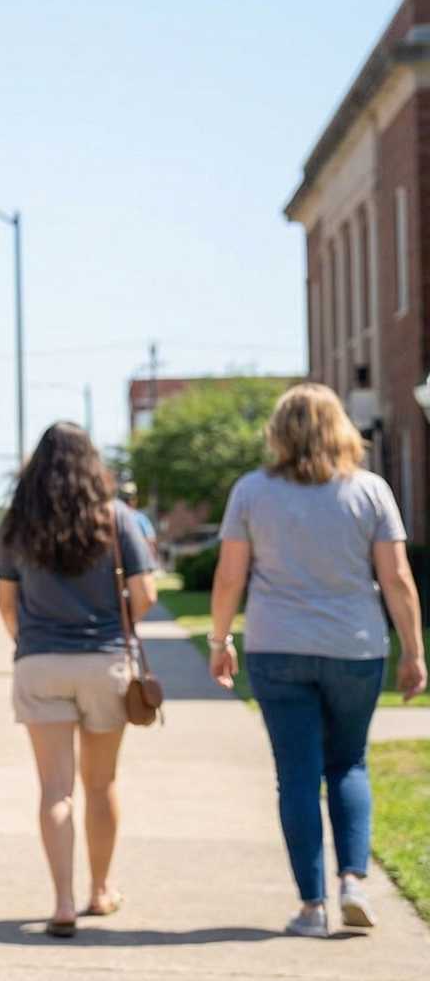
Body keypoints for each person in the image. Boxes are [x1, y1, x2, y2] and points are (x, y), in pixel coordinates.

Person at [206, 383, 428, 937]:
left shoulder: (252, 492)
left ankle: (312, 907)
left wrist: (218, 640)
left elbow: (230, 575)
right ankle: (354, 880)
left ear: (278, 433)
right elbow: (397, 578)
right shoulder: (370, 491)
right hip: (355, 647)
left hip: (277, 646)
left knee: (298, 778)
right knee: (349, 763)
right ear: (341, 429)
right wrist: (414, 651)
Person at [0, 423, 155, 938]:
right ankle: (99, 892)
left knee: (54, 789)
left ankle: (61, 902)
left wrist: (31, 642)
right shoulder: (117, 518)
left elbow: (6, 605)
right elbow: (144, 592)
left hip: (40, 662)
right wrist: (116, 627)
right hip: (103, 662)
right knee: (101, 783)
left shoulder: (18, 524)